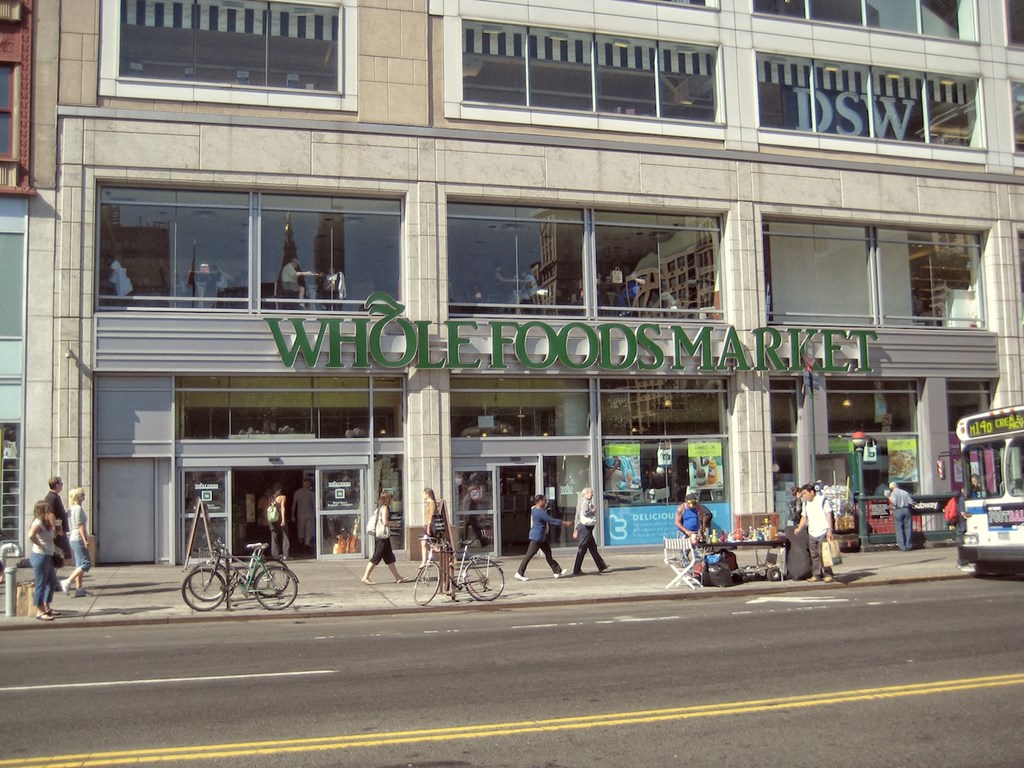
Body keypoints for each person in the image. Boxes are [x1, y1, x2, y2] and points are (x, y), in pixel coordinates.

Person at [515, 495, 572, 581]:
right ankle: (519, 573)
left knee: (548, 554)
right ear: (540, 501)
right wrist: (564, 523)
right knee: (529, 555)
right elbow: (551, 520)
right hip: (537, 537)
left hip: (542, 537)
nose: (546, 502)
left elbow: (538, 508)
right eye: (544, 501)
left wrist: (545, 507)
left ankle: (557, 571)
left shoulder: (534, 509)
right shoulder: (540, 512)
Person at [361, 491, 409, 585]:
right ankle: (365, 577)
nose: (392, 501)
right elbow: (385, 522)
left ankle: (398, 577)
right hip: (382, 537)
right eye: (390, 498)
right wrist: (395, 524)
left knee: (389, 557)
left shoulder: (379, 508)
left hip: (382, 536)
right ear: (387, 499)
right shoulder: (385, 508)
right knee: (376, 557)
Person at [27, 500, 61, 621]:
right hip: (40, 556)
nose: (49, 512)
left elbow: (50, 537)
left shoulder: (45, 523)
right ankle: (39, 611)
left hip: (48, 555)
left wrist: (57, 530)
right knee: (41, 584)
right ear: (41, 511)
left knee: (52, 582)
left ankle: (47, 606)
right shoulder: (37, 522)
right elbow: (31, 535)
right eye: (47, 509)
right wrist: (40, 545)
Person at [794, 483, 835, 583]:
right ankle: (816, 574)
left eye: (805, 494)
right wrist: (799, 528)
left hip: (823, 531)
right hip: (812, 532)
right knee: (814, 555)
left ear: (812, 492)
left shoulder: (822, 501)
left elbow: (828, 515)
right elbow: (804, 517)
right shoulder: (806, 504)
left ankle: (828, 574)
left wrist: (829, 530)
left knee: (824, 554)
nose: (804, 496)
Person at [60, 487, 92, 597]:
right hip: (78, 538)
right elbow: (79, 524)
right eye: (82, 494)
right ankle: (68, 581)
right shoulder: (78, 508)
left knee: (79, 564)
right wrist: (85, 539)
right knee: (86, 563)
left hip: (73, 538)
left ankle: (79, 589)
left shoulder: (72, 509)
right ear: (78, 496)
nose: (84, 496)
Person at [572, 487, 609, 575]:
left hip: (583, 526)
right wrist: (593, 511)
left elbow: (577, 516)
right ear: (586, 494)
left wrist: (576, 528)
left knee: (592, 547)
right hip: (586, 527)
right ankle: (576, 569)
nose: (592, 494)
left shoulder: (580, 502)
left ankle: (601, 566)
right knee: (583, 547)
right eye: (590, 493)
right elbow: (585, 513)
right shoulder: (585, 502)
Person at [44, 476, 72, 562]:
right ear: (57, 485)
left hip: (58, 530)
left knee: (61, 555)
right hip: (57, 531)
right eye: (61, 483)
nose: (62, 485)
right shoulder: (52, 497)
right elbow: (51, 514)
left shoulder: (54, 496)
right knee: (59, 555)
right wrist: (58, 529)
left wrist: (64, 514)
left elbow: (58, 514)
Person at [887, 481, 915, 551]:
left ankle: (902, 546)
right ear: (897, 486)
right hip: (906, 509)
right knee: (908, 528)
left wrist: (889, 498)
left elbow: (894, 502)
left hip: (898, 510)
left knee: (899, 529)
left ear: (891, 488)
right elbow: (911, 502)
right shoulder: (905, 492)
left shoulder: (893, 493)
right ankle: (909, 545)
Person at [292, 477, 316, 554]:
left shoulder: (298, 492)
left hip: (304, 514)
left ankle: (303, 546)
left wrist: (292, 515)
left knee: (302, 530)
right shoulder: (311, 493)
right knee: (306, 531)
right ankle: (305, 546)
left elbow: (294, 504)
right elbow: (314, 505)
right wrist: (292, 515)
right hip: (307, 514)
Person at [268, 483, 290, 560]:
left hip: (273, 519)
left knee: (274, 537)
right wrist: (283, 519)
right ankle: (285, 554)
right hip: (280, 518)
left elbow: (269, 509)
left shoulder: (270, 498)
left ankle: (275, 555)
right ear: (280, 489)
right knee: (285, 536)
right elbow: (282, 508)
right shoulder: (282, 497)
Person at [421, 487, 438, 567]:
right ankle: (424, 561)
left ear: (427, 494)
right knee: (423, 542)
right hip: (427, 525)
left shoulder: (432, 503)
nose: (422, 495)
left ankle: (449, 556)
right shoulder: (428, 503)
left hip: (430, 526)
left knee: (434, 545)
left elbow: (432, 515)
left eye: (423, 494)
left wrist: (428, 526)